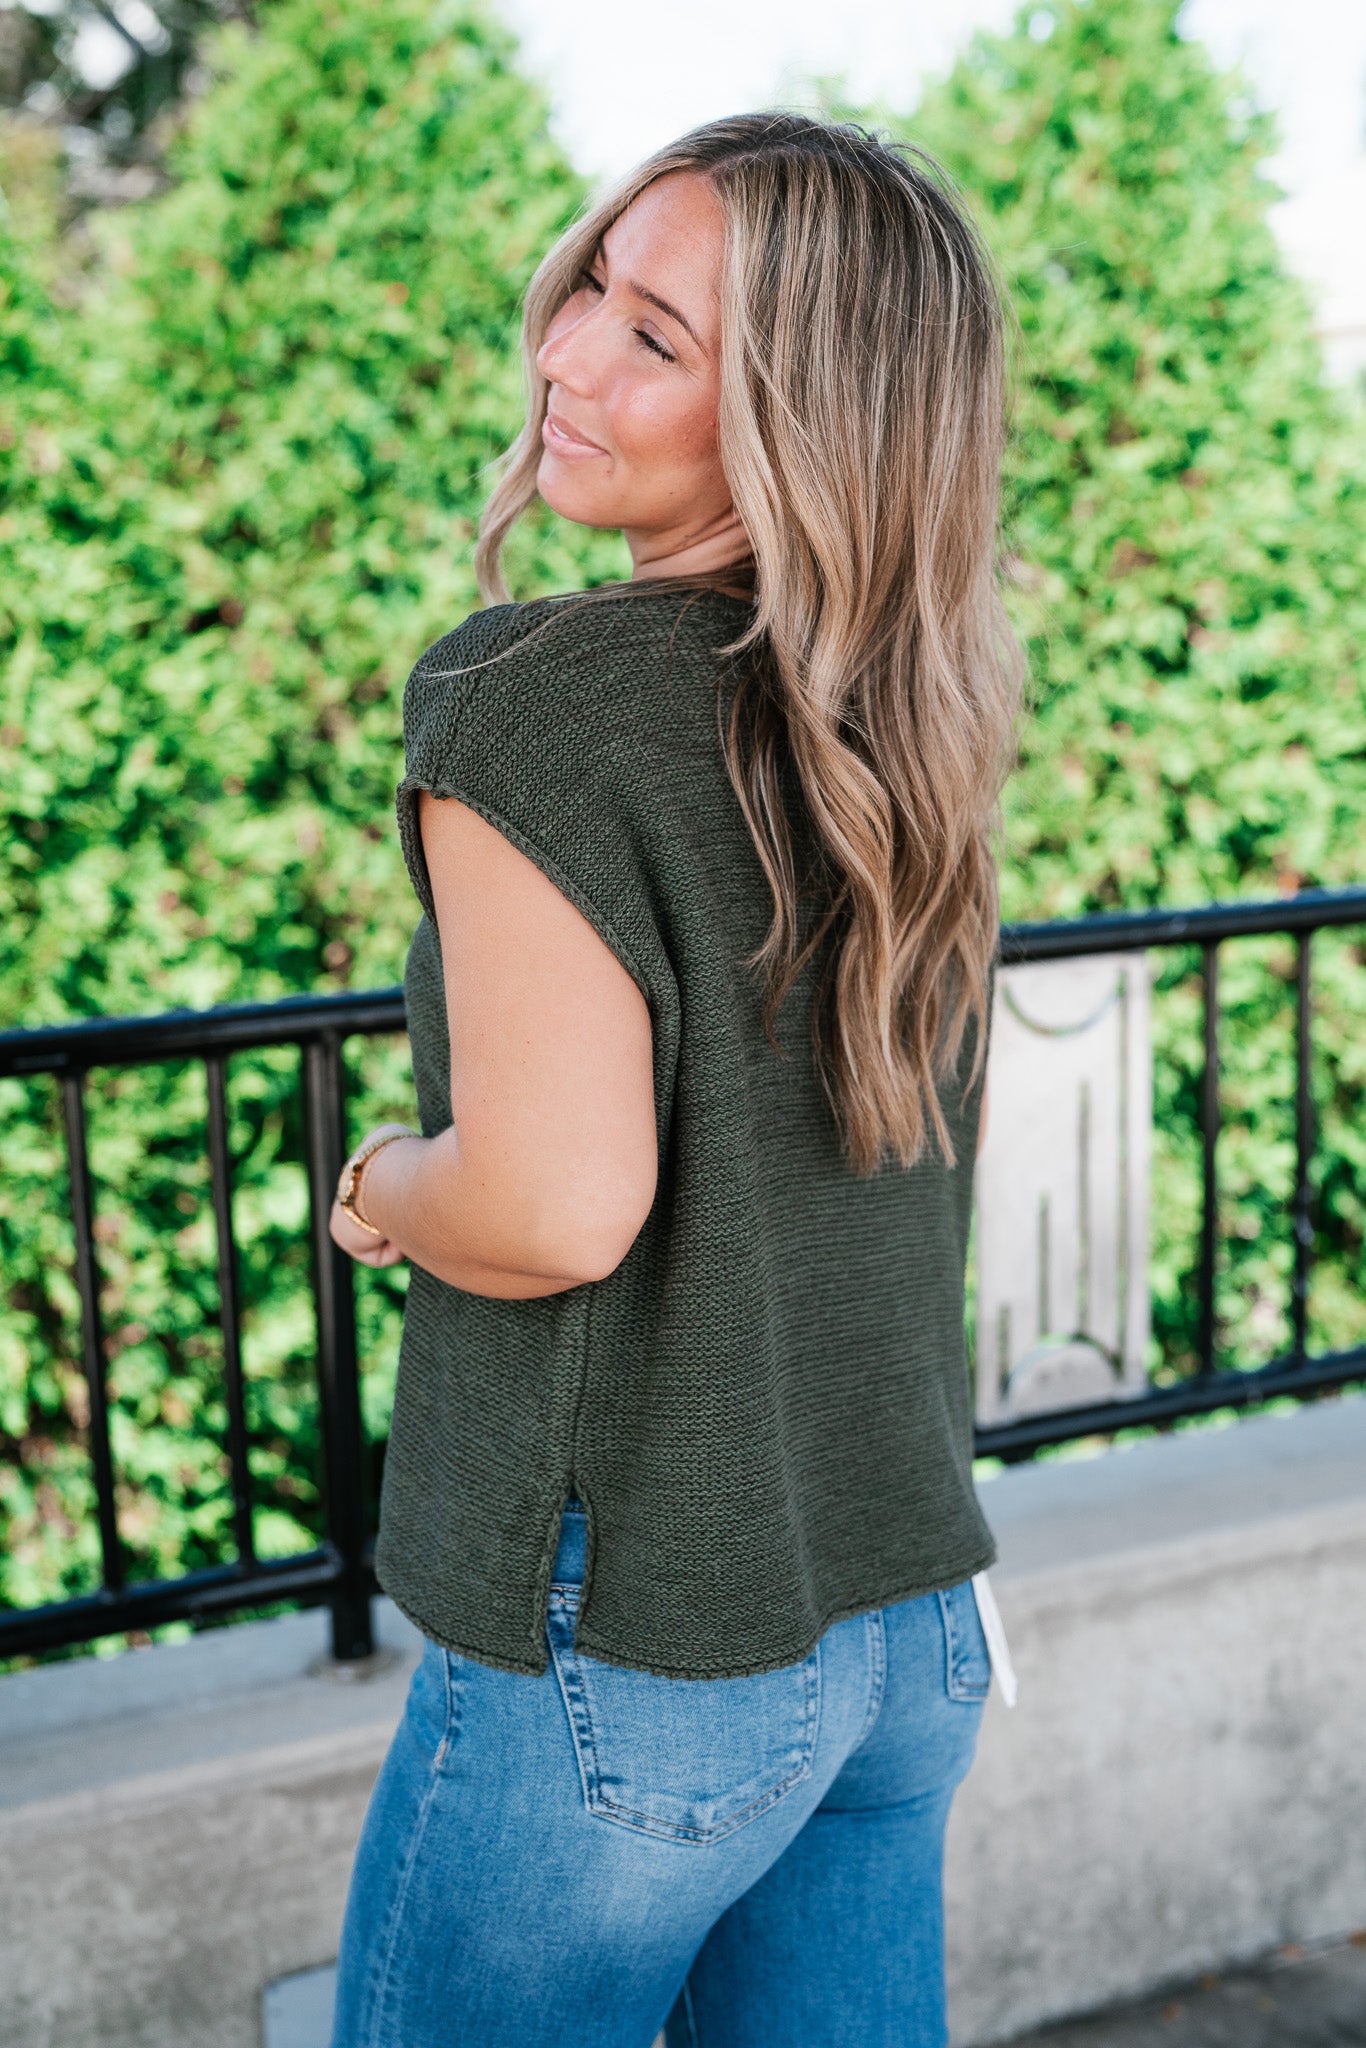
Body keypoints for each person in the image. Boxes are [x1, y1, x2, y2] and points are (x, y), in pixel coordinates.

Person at [326, 112, 1023, 2048]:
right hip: (897, 1625)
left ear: (804, 418)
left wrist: (379, 1184)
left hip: (640, 1644)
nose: (562, 356)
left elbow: (552, 1209)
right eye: (588, 293)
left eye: (652, 338)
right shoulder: (902, 711)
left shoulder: (543, 697)